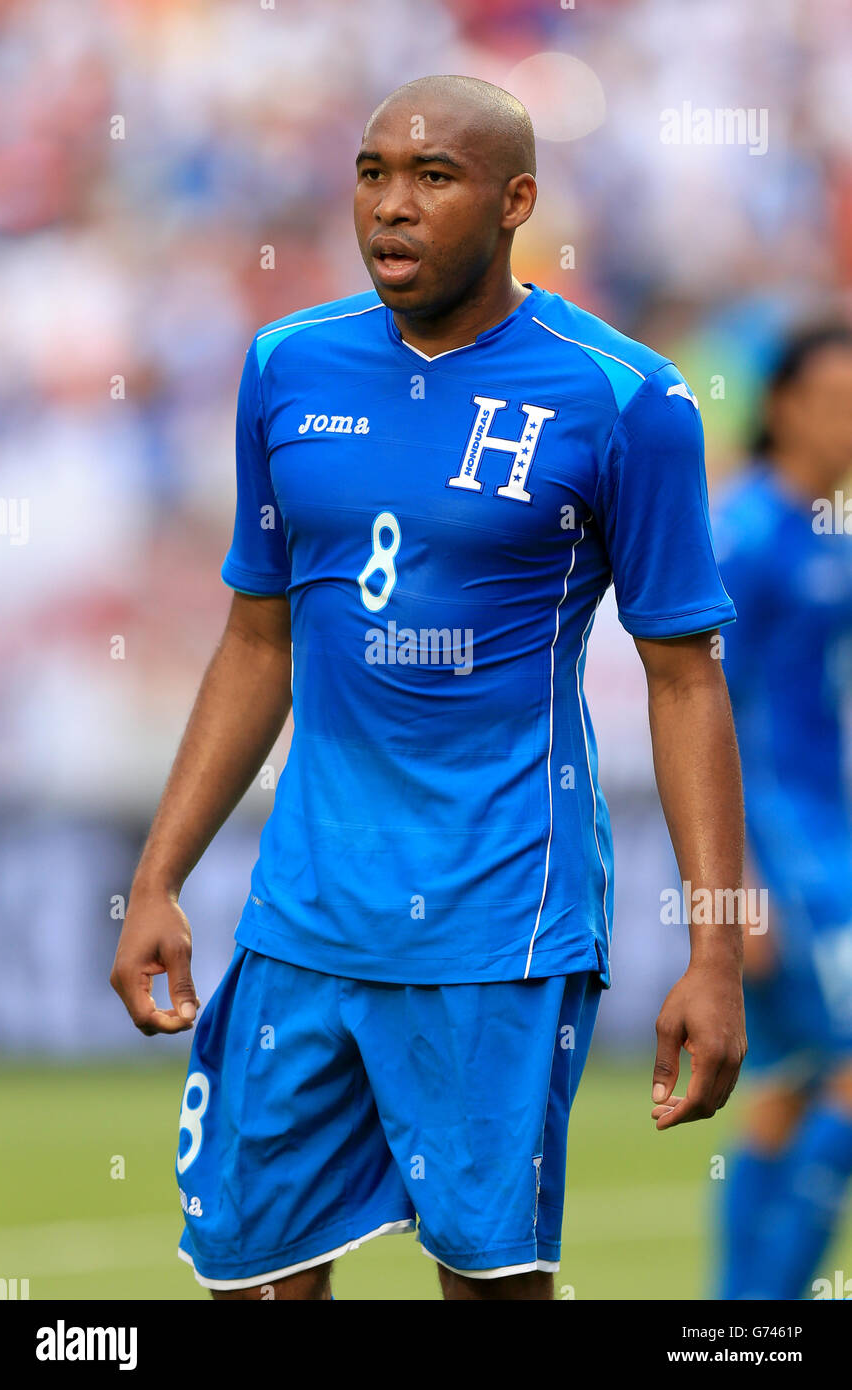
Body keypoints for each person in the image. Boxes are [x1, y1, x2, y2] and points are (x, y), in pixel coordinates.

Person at [111, 74, 745, 1301]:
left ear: (515, 202)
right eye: (371, 173)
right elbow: (257, 640)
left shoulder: (624, 397)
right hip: (303, 909)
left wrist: (712, 952)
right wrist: (157, 875)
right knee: (251, 1277)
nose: (390, 207)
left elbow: (683, 679)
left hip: (498, 914)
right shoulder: (285, 364)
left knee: (487, 1285)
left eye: (432, 178)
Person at [713, 325, 852, 1300]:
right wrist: (731, 882)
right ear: (784, 407)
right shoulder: (746, 532)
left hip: (824, 837)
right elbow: (695, 704)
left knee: (786, 1084)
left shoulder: (827, 527)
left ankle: (735, 1321)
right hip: (781, 852)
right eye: (834, 398)